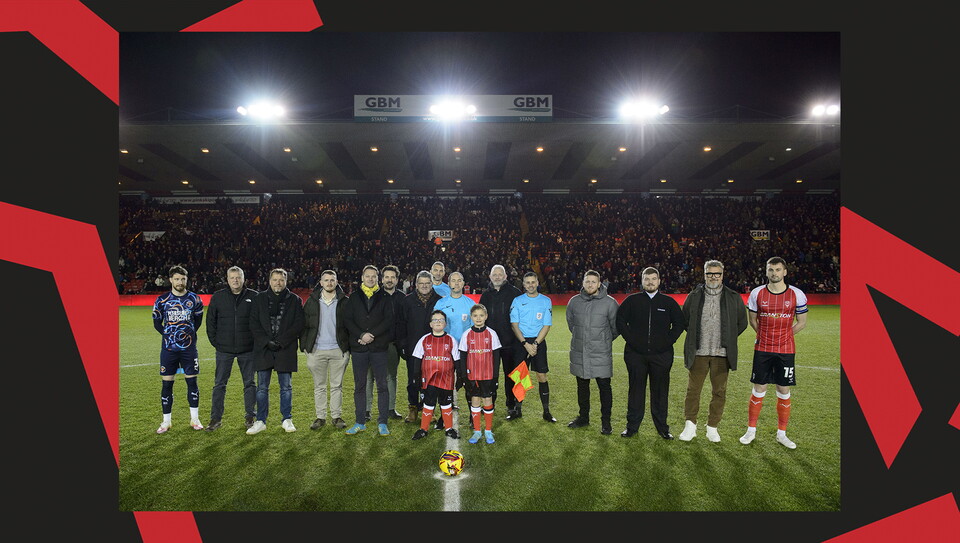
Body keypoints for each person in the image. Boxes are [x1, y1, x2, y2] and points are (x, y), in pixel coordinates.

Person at [739, 256, 808, 449]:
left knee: (783, 390)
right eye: (771, 270)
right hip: (762, 348)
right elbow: (753, 320)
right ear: (766, 271)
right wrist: (765, 335)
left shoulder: (797, 294)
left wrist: (784, 336)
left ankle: (782, 434)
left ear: (785, 272)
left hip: (786, 350)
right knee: (758, 388)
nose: (774, 273)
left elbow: (802, 322)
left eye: (778, 270)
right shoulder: (757, 293)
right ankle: (751, 431)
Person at [677, 260, 749, 442]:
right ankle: (690, 426)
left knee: (719, 392)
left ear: (722, 275)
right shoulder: (694, 296)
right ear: (704, 275)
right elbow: (685, 320)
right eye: (710, 273)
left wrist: (728, 339)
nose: (713, 277)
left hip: (722, 354)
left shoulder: (733, 297)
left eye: (717, 273)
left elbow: (742, 323)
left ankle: (712, 427)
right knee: (693, 390)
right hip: (699, 352)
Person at [615, 267, 685, 439]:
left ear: (659, 281)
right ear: (642, 281)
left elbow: (679, 324)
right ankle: (632, 427)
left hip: (661, 356)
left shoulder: (668, 302)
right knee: (635, 392)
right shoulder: (632, 300)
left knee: (660, 393)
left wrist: (666, 342)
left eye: (654, 279)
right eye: (647, 279)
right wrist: (632, 340)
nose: (650, 282)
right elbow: (620, 320)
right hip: (635, 355)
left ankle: (663, 428)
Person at [246, 268, 305, 435]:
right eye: (275, 280)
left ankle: (287, 419)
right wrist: (267, 341)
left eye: (281, 280)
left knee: (286, 387)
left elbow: (298, 324)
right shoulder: (259, 299)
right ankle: (261, 421)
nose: (278, 283)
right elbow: (253, 324)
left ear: (286, 281)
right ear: (269, 281)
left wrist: (281, 342)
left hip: (284, 349)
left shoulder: (294, 300)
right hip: (264, 349)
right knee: (262, 388)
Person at [341, 265, 395, 436]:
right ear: (362, 278)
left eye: (373, 277)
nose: (371, 279)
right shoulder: (354, 297)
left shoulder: (385, 297)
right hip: (359, 348)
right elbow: (348, 320)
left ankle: (383, 422)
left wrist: (371, 335)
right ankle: (360, 422)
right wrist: (361, 335)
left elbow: (388, 320)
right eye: (368, 276)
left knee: (382, 385)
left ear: (377, 279)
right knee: (360, 386)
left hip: (378, 348)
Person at [566, 270, 620, 435]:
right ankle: (583, 418)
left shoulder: (610, 303)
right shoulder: (574, 302)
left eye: (593, 282)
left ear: (599, 284)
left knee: (604, 387)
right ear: (583, 283)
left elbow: (615, 328)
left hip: (600, 353)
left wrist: (602, 340)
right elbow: (571, 324)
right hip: (580, 351)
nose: (590, 284)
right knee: (582, 386)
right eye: (587, 281)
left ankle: (606, 423)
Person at [204, 266, 258, 431]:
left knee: (249, 383)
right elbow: (210, 322)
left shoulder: (254, 296)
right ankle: (215, 419)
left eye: (238, 277)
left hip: (247, 349)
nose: (235, 280)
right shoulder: (218, 297)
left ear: (243, 279)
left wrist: (254, 343)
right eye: (232, 277)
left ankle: (250, 417)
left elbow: (259, 322)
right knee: (219, 384)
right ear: (227, 279)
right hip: (224, 349)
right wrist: (217, 342)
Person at [152, 265, 205, 434]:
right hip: (168, 349)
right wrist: (169, 336)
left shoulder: (195, 299)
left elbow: (197, 322)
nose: (180, 282)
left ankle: (195, 419)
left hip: (189, 349)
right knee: (167, 384)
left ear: (186, 280)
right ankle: (166, 421)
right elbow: (156, 323)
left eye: (183, 279)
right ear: (170, 280)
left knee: (192, 382)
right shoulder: (162, 300)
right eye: (177, 279)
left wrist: (186, 336)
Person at [300, 270, 350, 431]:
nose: (329, 283)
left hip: (338, 350)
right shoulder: (312, 301)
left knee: (337, 386)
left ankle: (336, 416)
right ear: (320, 283)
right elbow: (304, 325)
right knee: (319, 386)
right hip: (316, 350)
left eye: (332, 280)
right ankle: (320, 417)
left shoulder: (344, 301)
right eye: (326, 280)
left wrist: (347, 347)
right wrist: (306, 347)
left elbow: (350, 325)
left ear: (336, 282)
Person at [396, 270, 442, 423]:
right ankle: (413, 408)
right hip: (413, 348)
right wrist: (403, 344)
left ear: (431, 284)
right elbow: (401, 324)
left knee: (431, 381)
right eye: (421, 283)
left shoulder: (439, 301)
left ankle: (429, 409)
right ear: (416, 284)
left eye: (427, 283)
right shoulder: (407, 301)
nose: (424, 286)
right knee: (413, 380)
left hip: (434, 349)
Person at [509, 271, 555, 422]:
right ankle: (517, 410)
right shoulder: (517, 300)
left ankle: (546, 412)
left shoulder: (546, 301)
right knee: (520, 377)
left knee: (541, 376)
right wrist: (525, 344)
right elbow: (514, 325)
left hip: (538, 342)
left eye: (533, 282)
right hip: (521, 342)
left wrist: (535, 344)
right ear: (523, 285)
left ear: (537, 283)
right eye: (527, 282)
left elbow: (546, 325)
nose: (530, 285)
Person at [411, 310, 462, 440]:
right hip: (429, 379)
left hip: (446, 379)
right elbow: (417, 358)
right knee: (428, 403)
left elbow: (457, 360)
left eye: (441, 320)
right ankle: (423, 429)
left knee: (446, 404)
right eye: (435, 320)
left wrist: (460, 377)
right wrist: (416, 376)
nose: (438, 322)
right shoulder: (424, 339)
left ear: (445, 323)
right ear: (430, 324)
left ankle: (449, 429)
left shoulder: (451, 340)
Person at [478, 264, 521, 417]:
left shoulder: (515, 293)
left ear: (505, 276)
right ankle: (490, 403)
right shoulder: (486, 295)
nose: (497, 277)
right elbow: (480, 318)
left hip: (510, 343)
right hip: (490, 345)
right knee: (490, 376)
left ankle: (511, 404)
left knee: (510, 375)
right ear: (490, 277)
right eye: (494, 274)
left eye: (500, 274)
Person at [364, 265, 405, 422]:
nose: (389, 280)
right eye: (386, 277)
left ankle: (390, 409)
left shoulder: (402, 298)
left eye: (392, 277)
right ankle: (367, 410)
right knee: (369, 377)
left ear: (397, 279)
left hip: (391, 345)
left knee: (391, 377)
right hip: (373, 344)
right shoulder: (373, 296)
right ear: (381, 279)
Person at [459, 304, 501, 444]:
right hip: (472, 375)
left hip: (488, 375)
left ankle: (488, 430)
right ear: (471, 317)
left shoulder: (491, 333)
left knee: (488, 400)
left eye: (481, 315)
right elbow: (463, 356)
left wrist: (495, 377)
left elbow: (496, 356)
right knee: (475, 400)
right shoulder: (466, 334)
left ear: (486, 317)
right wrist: (464, 376)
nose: (478, 318)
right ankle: (477, 431)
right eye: (475, 316)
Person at [435, 270, 475, 418]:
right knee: (445, 382)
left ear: (463, 283)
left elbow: (474, 329)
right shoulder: (441, 303)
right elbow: (435, 325)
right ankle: (443, 415)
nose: (456, 283)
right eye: (453, 280)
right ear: (449, 283)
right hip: (446, 350)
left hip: (465, 351)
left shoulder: (470, 303)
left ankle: (473, 414)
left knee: (468, 382)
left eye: (459, 280)